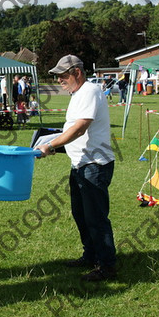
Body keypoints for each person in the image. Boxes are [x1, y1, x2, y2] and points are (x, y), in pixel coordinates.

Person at [36, 55, 116, 282]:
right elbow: (73, 130)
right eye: (58, 76)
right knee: (81, 215)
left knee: (96, 218)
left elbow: (80, 128)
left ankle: (107, 265)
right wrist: (57, 145)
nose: (59, 80)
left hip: (94, 165)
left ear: (77, 73)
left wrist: (51, 144)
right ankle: (91, 256)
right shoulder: (78, 94)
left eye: (63, 76)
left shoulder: (89, 91)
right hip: (80, 164)